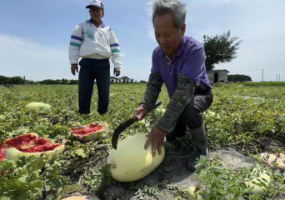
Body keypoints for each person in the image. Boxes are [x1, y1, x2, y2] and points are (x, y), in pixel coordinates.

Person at [132, 0, 213, 172]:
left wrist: (161, 126)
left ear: (182, 29)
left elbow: (184, 93)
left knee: (188, 108)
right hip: (177, 98)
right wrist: (145, 104)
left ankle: (201, 149)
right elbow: (154, 84)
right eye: (157, 34)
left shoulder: (194, 50)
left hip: (199, 95)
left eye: (167, 35)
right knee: (173, 134)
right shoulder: (157, 54)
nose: (162, 41)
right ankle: (180, 127)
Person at [69, 0, 122, 115]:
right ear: (89, 12)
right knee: (84, 90)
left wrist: (117, 65)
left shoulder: (108, 30)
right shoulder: (81, 26)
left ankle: (102, 114)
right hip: (86, 63)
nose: (94, 12)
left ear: (102, 12)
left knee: (104, 91)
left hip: (103, 64)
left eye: (97, 9)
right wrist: (73, 62)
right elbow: (74, 45)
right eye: (92, 9)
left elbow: (115, 48)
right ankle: (83, 114)